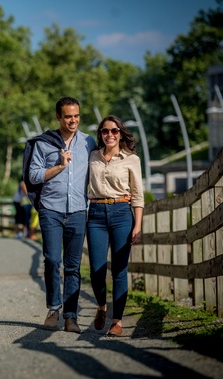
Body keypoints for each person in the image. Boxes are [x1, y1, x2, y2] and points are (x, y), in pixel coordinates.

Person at [28, 97, 97, 332]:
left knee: (73, 266)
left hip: (78, 210)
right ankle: (53, 309)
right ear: (58, 117)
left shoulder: (89, 142)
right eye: (68, 116)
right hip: (51, 209)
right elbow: (33, 176)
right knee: (52, 260)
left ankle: (71, 316)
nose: (73, 120)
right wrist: (59, 165)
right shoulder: (44, 144)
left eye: (76, 116)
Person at [87, 115, 144, 336]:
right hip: (97, 214)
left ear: (121, 133)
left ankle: (117, 320)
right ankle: (102, 306)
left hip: (122, 213)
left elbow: (138, 194)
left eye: (114, 131)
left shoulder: (131, 159)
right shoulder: (92, 157)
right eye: (105, 131)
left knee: (120, 269)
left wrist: (137, 225)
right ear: (100, 134)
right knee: (96, 269)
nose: (110, 135)